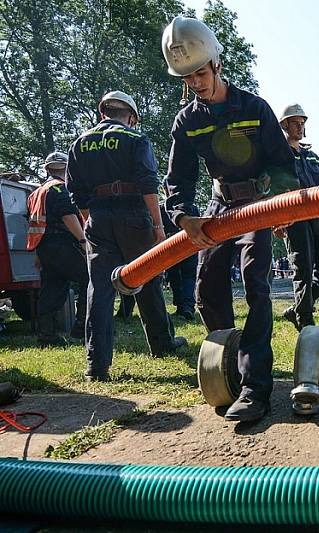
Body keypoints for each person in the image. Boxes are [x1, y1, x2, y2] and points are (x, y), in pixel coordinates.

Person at [162, 16, 298, 422]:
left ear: (217, 65)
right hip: (219, 209)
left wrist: (283, 207)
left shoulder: (254, 108)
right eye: (187, 77)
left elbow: (283, 164)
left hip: (258, 205)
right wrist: (184, 216)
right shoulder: (187, 121)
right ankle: (231, 364)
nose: (196, 83)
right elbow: (178, 178)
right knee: (206, 292)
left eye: (201, 72)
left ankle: (256, 387)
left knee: (256, 284)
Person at [65, 91, 187, 382]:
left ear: (102, 112)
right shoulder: (135, 139)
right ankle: (162, 343)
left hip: (97, 218)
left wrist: (91, 223)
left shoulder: (79, 144)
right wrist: (158, 227)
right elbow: (148, 184)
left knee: (99, 288)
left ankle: (97, 365)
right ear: (131, 117)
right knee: (146, 279)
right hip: (133, 215)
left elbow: (75, 192)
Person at [275, 104, 319, 331]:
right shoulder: (278, 156)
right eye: (295, 123)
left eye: (303, 123)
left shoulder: (312, 157)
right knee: (303, 268)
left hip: (318, 218)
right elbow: (271, 189)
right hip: (294, 220)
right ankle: (306, 323)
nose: (300, 127)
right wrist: (277, 221)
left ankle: (299, 308)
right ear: (284, 125)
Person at [26, 151, 88, 345]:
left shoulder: (36, 193)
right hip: (64, 244)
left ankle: (47, 335)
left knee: (51, 288)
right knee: (90, 278)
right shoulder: (60, 188)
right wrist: (83, 240)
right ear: (66, 168)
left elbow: (36, 224)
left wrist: (38, 253)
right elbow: (68, 216)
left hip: (45, 248)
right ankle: (82, 327)